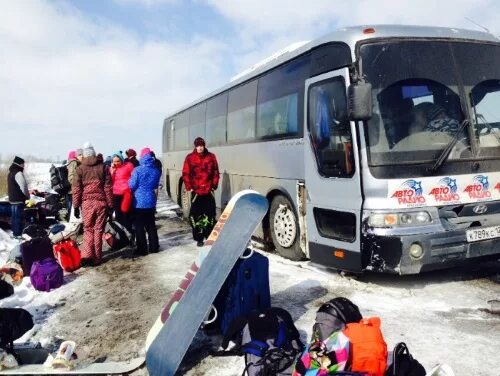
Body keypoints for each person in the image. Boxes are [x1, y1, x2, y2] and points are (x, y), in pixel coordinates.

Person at [73, 143, 113, 266]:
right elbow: (108, 188)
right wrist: (110, 205)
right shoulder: (104, 168)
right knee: (98, 230)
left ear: (84, 156)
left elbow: (76, 189)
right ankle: (97, 257)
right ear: (94, 154)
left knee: (88, 229)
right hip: (101, 203)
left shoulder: (79, 169)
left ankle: (87, 255)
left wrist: (75, 205)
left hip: (87, 204)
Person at [182, 137, 219, 246]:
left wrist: (214, 186)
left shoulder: (211, 157)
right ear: (195, 146)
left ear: (204, 145)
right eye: (198, 146)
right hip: (196, 192)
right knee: (195, 216)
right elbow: (185, 173)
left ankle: (209, 236)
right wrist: (190, 187)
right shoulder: (190, 158)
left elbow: (216, 172)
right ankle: (199, 238)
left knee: (210, 215)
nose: (200, 148)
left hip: (208, 191)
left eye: (201, 145)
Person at [128, 149, 161, 255]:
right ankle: (154, 247)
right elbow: (155, 185)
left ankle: (142, 249)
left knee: (139, 227)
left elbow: (132, 185)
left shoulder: (137, 170)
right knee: (151, 225)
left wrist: (129, 181)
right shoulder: (156, 170)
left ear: (142, 157)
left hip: (139, 202)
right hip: (151, 201)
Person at [109, 151, 134, 232]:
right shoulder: (112, 168)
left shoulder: (128, 166)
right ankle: (120, 234)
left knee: (126, 214)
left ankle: (129, 233)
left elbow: (134, 177)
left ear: (122, 160)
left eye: (118, 161)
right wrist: (112, 172)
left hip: (126, 193)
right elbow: (110, 182)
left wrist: (130, 188)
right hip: (116, 194)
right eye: (114, 161)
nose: (116, 163)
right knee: (118, 215)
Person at [7, 156, 30, 238]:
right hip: (18, 199)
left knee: (14, 217)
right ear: (20, 164)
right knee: (18, 218)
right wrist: (27, 196)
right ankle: (18, 234)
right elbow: (23, 186)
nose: (24, 166)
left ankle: (15, 233)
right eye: (23, 164)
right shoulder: (18, 173)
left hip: (12, 199)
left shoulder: (11, 173)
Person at [66, 151, 78, 221]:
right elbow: (71, 177)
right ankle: (71, 221)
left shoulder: (69, 163)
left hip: (69, 189)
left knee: (70, 207)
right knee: (71, 207)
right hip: (71, 190)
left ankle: (70, 219)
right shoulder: (73, 163)